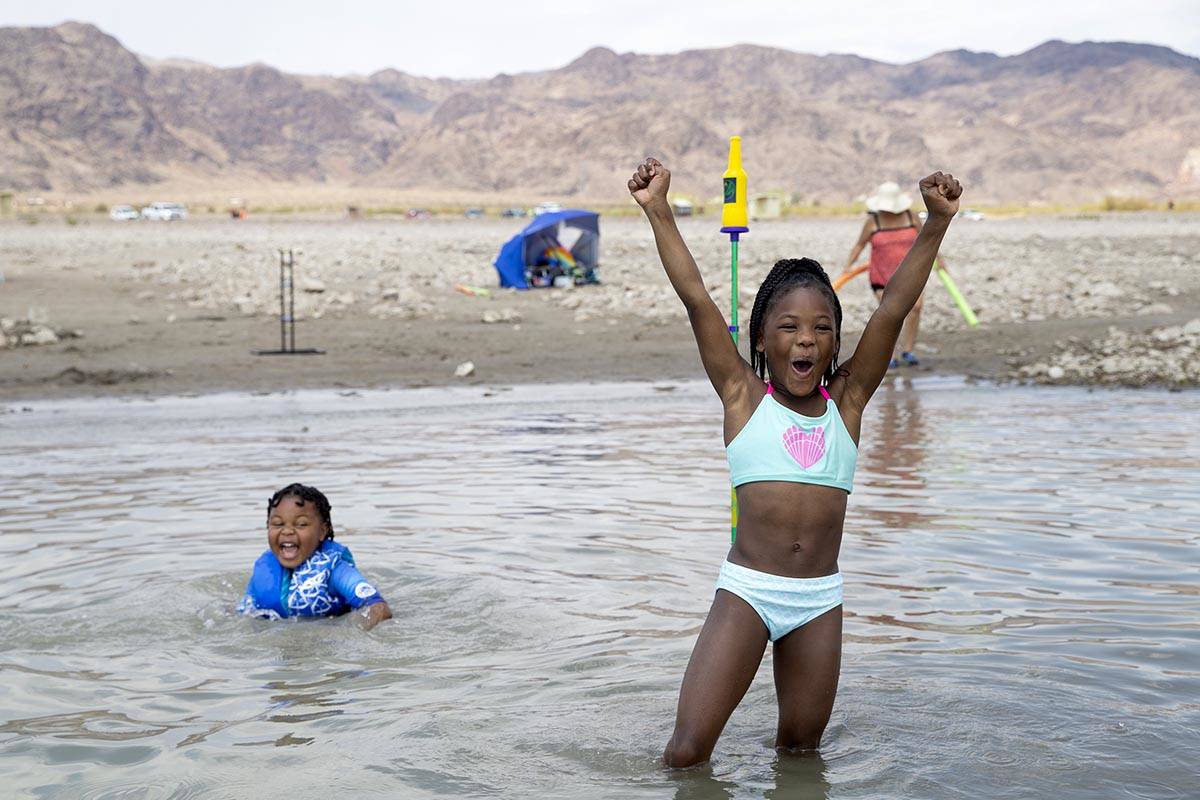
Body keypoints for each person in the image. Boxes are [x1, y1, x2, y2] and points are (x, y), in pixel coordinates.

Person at [627, 157, 961, 767]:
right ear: (761, 340)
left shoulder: (849, 402)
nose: (806, 340)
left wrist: (935, 223)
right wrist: (658, 210)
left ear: (835, 340)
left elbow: (891, 310)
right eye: (789, 327)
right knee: (685, 753)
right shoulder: (741, 396)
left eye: (821, 328)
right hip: (748, 594)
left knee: (801, 754)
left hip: (818, 602)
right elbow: (696, 296)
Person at [238, 483, 393, 630]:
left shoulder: (335, 568)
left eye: (301, 524)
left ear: (322, 531)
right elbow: (244, 613)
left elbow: (379, 608)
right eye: (278, 524)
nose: (287, 531)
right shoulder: (264, 568)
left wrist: (352, 635)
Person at [839, 181, 927, 367]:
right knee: (891, 314)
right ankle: (892, 355)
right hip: (882, 276)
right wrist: (848, 266)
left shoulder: (911, 217)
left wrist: (939, 262)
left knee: (916, 308)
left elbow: (926, 241)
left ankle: (908, 350)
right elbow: (859, 245)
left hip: (911, 275)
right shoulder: (873, 222)